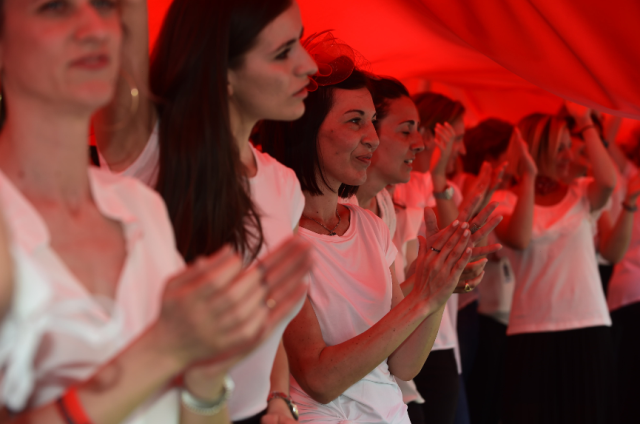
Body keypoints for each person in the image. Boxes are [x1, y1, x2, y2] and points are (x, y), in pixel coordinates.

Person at [0, 1, 311, 423]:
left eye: (105, 5)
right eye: (54, 7)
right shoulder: (151, 161)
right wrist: (165, 349)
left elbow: (195, 403)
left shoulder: (140, 208)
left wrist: (207, 378)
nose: (95, 27)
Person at [94, 1, 317, 422]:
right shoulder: (149, 150)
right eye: (283, 52)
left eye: (300, 42)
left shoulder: (284, 185)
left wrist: (278, 397)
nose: (309, 65)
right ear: (223, 73)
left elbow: (271, 323)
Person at [260, 45, 501, 420]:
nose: (372, 137)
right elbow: (319, 378)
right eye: (355, 121)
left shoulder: (370, 226)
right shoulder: (278, 233)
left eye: (373, 121)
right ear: (306, 129)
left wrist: (436, 288)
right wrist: (421, 297)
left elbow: (404, 365)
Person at [499, 104, 618, 424]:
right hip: (530, 328)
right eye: (560, 148)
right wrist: (528, 176)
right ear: (536, 151)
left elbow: (609, 181)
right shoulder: (505, 200)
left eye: (569, 146)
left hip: (588, 324)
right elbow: (519, 238)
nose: (568, 156)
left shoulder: (581, 192)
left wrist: (585, 122)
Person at [461, 118, 536, 424]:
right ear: (491, 158)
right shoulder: (485, 196)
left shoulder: (511, 196)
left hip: (509, 318)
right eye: (514, 152)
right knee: (488, 403)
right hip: (490, 318)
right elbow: (510, 244)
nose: (522, 158)